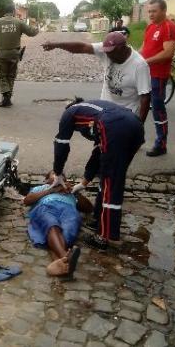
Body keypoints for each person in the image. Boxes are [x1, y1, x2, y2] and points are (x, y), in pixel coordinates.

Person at [52, 99, 144, 251]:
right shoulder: (94, 111)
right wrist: (83, 184)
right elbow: (98, 154)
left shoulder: (69, 113)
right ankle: (99, 219)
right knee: (109, 176)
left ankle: (105, 237)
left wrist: (57, 173)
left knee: (111, 180)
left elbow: (61, 144)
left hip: (115, 126)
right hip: (135, 125)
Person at [42, 31, 151, 121]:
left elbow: (145, 97)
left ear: (123, 49)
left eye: (111, 53)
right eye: (106, 53)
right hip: (104, 112)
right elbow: (82, 47)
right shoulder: (108, 50)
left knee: (120, 146)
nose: (107, 56)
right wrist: (56, 45)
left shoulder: (139, 65)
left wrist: (139, 126)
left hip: (125, 117)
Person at [24, 171, 92, 277]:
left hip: (69, 209)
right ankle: (65, 256)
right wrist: (52, 190)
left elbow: (89, 208)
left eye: (62, 175)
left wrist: (75, 192)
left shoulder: (71, 192)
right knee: (51, 224)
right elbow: (27, 201)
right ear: (47, 180)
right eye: (55, 174)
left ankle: (60, 265)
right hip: (46, 207)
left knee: (69, 230)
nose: (59, 176)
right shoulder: (41, 188)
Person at [140, 0, 175, 157]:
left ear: (163, 11)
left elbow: (168, 53)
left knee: (158, 109)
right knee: (140, 108)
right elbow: (144, 47)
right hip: (144, 74)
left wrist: (146, 61)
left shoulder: (169, 27)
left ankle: (161, 144)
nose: (151, 14)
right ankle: (136, 139)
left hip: (158, 75)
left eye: (154, 11)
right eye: (149, 11)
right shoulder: (150, 27)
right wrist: (136, 59)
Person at [0, 2, 39, 107]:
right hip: (15, 54)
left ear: (5, 12)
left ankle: (6, 96)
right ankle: (7, 98)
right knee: (11, 76)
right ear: (13, 11)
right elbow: (32, 33)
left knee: (2, 76)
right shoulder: (19, 22)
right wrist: (36, 27)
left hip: (2, 55)